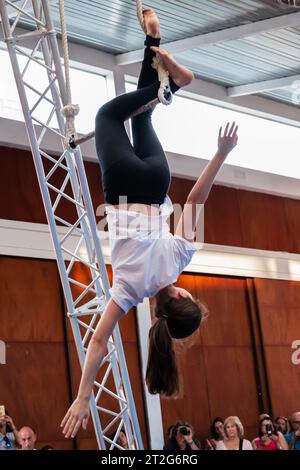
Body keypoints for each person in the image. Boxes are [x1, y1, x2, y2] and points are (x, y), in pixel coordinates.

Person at [61, 7, 238, 439]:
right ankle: (170, 85)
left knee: (143, 113)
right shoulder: (129, 289)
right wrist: (83, 396)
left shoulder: (180, 258)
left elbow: (195, 199)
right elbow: (98, 343)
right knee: (107, 116)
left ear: (181, 292)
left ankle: (154, 50)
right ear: (158, 311)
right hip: (122, 186)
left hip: (158, 181)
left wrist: (222, 154)